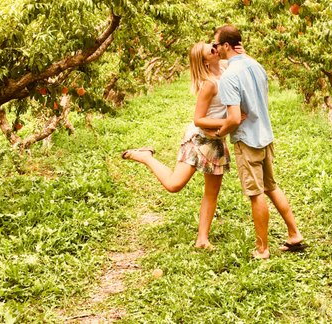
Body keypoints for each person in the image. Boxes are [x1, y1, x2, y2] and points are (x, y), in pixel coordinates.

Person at [122, 41, 238, 250]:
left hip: (217, 140)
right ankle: (146, 156)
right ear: (204, 61)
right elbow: (198, 119)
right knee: (174, 185)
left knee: (212, 193)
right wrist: (231, 122)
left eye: (215, 46)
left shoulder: (226, 69)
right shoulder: (209, 84)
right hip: (200, 139)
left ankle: (202, 239)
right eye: (211, 50)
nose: (216, 49)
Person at [211, 25, 304, 259]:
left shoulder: (229, 76)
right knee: (271, 186)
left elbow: (233, 118)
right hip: (265, 134)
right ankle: (294, 234)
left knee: (256, 193)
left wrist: (220, 132)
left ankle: (262, 249)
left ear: (226, 46)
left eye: (216, 44)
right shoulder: (256, 65)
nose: (215, 48)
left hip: (247, 140)